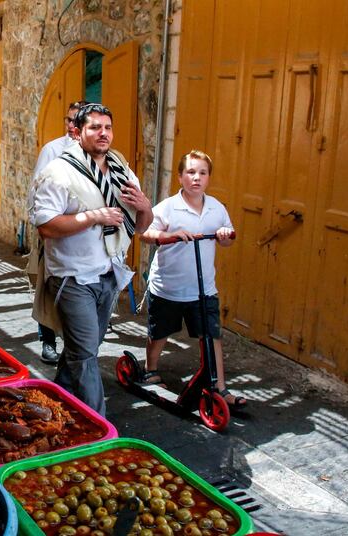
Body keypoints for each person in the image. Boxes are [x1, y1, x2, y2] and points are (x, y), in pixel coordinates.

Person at [28, 103, 153, 416]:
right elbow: (46, 227)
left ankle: (54, 404)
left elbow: (139, 226)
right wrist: (94, 216)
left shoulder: (121, 169)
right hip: (72, 277)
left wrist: (146, 206)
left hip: (108, 274)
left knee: (82, 349)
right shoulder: (58, 172)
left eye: (107, 127)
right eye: (94, 127)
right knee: (85, 355)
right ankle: (100, 433)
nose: (103, 133)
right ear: (77, 132)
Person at [140, 150, 246, 408]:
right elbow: (145, 233)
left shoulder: (216, 209)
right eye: (190, 172)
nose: (196, 178)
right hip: (168, 287)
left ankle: (219, 387)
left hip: (203, 289)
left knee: (212, 335)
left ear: (208, 178)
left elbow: (228, 240)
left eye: (202, 173)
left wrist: (224, 236)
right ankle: (149, 369)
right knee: (160, 332)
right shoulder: (168, 207)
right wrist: (170, 234)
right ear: (180, 177)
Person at [31, 100, 87, 365]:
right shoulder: (52, 150)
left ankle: (73, 347)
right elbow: (36, 189)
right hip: (54, 234)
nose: (71, 126)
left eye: (77, 121)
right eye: (68, 120)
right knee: (48, 289)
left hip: (84, 240)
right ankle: (48, 341)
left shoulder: (97, 153)